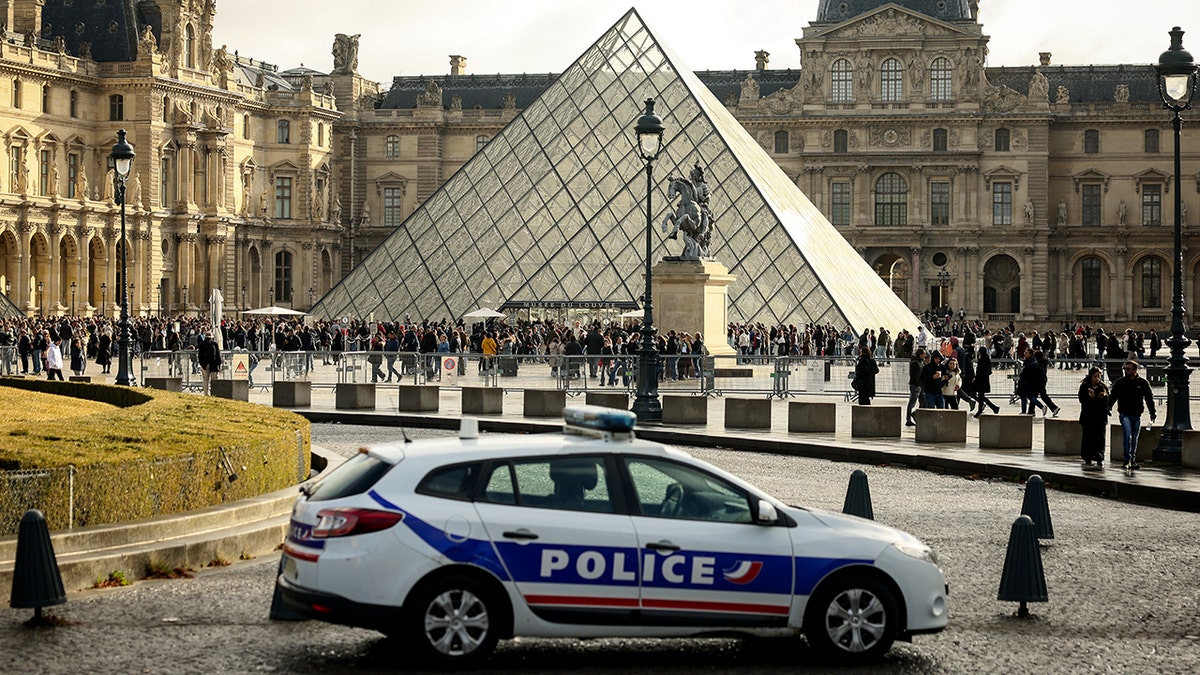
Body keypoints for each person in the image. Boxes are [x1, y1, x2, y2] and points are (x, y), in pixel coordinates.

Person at [1108, 360, 1156, 474]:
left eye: (1128, 369)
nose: (1126, 371)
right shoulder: (1120, 383)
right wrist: (1108, 407)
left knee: (1134, 437)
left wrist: (1152, 412)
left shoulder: (1143, 383)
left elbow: (1149, 398)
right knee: (1128, 434)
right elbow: (1113, 396)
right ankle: (1127, 459)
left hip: (1137, 414)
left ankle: (1132, 459)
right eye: (1125, 369)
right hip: (1124, 413)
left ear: (1135, 370)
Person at [1077, 367, 1109, 468]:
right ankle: (1088, 456)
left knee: (1100, 437)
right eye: (1095, 376)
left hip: (1100, 417)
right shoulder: (1085, 386)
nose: (1097, 379)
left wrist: (1104, 397)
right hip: (1088, 416)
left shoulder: (1103, 387)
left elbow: (1108, 401)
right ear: (1090, 376)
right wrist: (1089, 397)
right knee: (1088, 437)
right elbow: (1081, 399)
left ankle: (1099, 456)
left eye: (1099, 376)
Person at [973, 343, 1002, 417]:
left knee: (981, 397)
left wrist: (976, 379)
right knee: (981, 396)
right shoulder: (986, 359)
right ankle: (986, 409)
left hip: (981, 381)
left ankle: (992, 408)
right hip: (984, 380)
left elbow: (980, 371)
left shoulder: (982, 360)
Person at [1016, 348, 1046, 415]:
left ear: (1030, 354)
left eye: (1026, 353)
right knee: (1027, 396)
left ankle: (1040, 407)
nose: (1025, 354)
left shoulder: (1029, 362)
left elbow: (1026, 373)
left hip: (1026, 383)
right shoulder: (1032, 361)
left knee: (1026, 396)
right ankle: (1040, 407)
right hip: (1029, 382)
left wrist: (1022, 375)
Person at [906, 347, 928, 426]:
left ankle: (915, 414)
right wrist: (918, 383)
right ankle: (908, 419)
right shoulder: (915, 363)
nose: (925, 355)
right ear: (920, 354)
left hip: (920, 385)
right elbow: (913, 375)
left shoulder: (921, 362)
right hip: (915, 385)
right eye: (924, 353)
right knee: (912, 402)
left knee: (923, 402)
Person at [197, 330, 222, 396]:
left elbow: (200, 355)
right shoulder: (215, 344)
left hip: (205, 364)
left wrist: (202, 363)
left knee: (205, 380)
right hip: (213, 364)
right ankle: (214, 393)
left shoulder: (202, 344)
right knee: (214, 380)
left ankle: (206, 393)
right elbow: (218, 355)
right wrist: (219, 364)